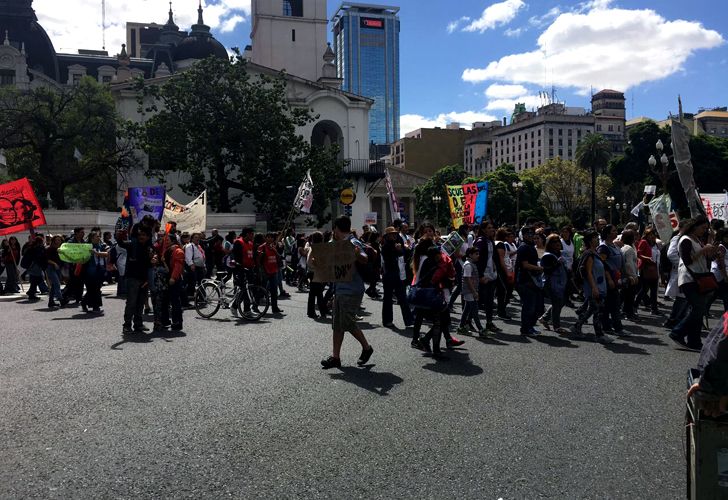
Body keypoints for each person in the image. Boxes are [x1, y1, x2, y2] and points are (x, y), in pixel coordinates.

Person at [321, 216, 374, 369]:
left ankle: (366, 347)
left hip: (352, 290)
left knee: (347, 322)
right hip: (340, 289)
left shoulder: (352, 242)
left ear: (336, 228)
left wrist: (358, 254)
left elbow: (364, 258)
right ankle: (335, 357)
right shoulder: (337, 244)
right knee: (337, 324)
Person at [670, 215, 717, 351]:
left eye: (706, 228)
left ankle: (694, 341)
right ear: (695, 227)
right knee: (698, 309)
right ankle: (677, 332)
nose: (704, 231)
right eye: (703, 228)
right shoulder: (685, 240)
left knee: (698, 310)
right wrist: (703, 250)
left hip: (698, 277)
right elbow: (688, 260)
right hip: (689, 278)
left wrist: (712, 251)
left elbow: (703, 258)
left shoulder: (697, 240)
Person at [571, 231, 615, 343]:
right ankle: (599, 335)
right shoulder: (589, 254)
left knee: (592, 309)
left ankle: (576, 327)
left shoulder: (594, 253)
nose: (597, 240)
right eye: (595, 238)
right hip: (593, 288)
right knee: (598, 311)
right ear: (590, 241)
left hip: (598, 287)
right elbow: (588, 272)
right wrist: (594, 288)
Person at [119, 226, 153, 335]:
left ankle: (138, 324)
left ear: (148, 237)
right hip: (132, 278)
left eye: (144, 235)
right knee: (131, 302)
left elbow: (149, 264)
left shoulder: (149, 247)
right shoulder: (132, 245)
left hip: (144, 279)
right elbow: (121, 243)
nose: (141, 237)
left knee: (140, 303)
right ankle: (127, 325)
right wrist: (120, 234)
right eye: (140, 235)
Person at [381, 226, 413, 328]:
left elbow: (404, 255)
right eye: (391, 234)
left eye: (395, 234)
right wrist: (398, 250)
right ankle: (387, 320)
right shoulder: (385, 246)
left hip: (399, 274)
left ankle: (409, 320)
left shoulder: (397, 244)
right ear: (387, 236)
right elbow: (390, 259)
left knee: (403, 298)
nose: (394, 235)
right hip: (389, 274)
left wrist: (403, 248)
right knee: (388, 299)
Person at [515, 226, 544, 336]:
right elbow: (525, 265)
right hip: (525, 280)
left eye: (532, 233)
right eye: (528, 234)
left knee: (535, 306)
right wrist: (540, 268)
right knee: (529, 307)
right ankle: (526, 329)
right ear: (524, 235)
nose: (531, 236)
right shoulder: (524, 247)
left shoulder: (531, 246)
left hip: (532, 280)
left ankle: (530, 327)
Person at [539, 234, 569, 334]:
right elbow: (546, 270)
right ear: (549, 244)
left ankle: (544, 318)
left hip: (561, 283)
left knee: (561, 302)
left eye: (558, 241)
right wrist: (556, 263)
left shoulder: (559, 254)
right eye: (554, 242)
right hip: (552, 283)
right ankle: (557, 326)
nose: (557, 244)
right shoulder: (548, 255)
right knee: (557, 304)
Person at [597, 224, 625, 334]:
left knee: (612, 304)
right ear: (608, 233)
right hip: (608, 280)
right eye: (613, 231)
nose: (615, 232)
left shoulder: (614, 246)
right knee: (612, 304)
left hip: (616, 279)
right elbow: (602, 264)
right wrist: (609, 279)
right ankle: (613, 327)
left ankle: (610, 326)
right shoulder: (603, 247)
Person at [456, 247, 486, 337]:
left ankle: (461, 327)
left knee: (467, 310)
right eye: (476, 254)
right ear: (470, 255)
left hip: (470, 291)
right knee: (474, 310)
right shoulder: (468, 265)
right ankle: (481, 329)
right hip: (469, 291)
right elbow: (467, 279)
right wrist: (474, 292)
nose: (478, 256)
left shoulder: (471, 264)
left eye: (478, 253)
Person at [80, 231, 109, 313]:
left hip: (100, 269)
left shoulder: (101, 245)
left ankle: (84, 302)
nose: (99, 238)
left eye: (99, 236)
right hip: (90, 271)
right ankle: (96, 307)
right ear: (92, 238)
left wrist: (97, 253)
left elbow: (107, 254)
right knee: (94, 289)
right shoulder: (87, 247)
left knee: (95, 288)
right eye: (97, 236)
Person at [635, 227, 661, 315]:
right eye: (650, 235)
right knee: (644, 289)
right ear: (646, 235)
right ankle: (635, 305)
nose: (652, 236)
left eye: (653, 234)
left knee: (654, 290)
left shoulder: (655, 243)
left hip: (654, 269)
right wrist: (647, 258)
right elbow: (638, 254)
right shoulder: (644, 242)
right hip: (645, 268)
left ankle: (654, 309)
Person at [305, 232, 330, 319]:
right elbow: (315, 261)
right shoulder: (318, 248)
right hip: (315, 273)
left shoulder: (312, 247)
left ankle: (312, 312)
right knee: (318, 293)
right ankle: (322, 312)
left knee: (313, 294)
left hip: (311, 272)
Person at [259, 232, 283, 315]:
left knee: (274, 291)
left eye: (271, 237)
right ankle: (254, 306)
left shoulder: (273, 247)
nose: (270, 239)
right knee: (262, 290)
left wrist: (274, 250)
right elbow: (259, 260)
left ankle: (275, 308)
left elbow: (279, 257)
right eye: (268, 237)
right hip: (265, 271)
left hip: (274, 271)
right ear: (265, 238)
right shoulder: (262, 247)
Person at [620, 229, 640, 321]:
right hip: (630, 276)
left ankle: (625, 312)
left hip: (625, 275)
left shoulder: (624, 247)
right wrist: (633, 276)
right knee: (629, 297)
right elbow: (629, 264)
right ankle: (629, 314)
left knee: (625, 295)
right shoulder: (629, 249)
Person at [45, 235, 63, 309]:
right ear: (53, 240)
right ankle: (61, 299)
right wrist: (54, 263)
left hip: (58, 268)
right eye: (57, 240)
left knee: (53, 286)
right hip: (50, 268)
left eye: (60, 240)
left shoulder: (60, 249)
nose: (58, 241)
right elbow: (47, 259)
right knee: (57, 283)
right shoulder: (49, 249)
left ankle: (51, 301)